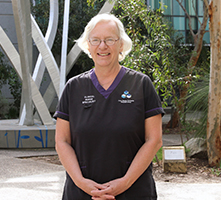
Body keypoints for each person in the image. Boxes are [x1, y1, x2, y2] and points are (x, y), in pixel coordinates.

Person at [54, 13, 164, 200]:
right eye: (95, 40)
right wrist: (82, 183)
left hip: (134, 193)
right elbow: (62, 142)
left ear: (121, 44)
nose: (102, 46)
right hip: (82, 194)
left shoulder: (141, 84)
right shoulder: (73, 88)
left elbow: (154, 140)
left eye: (109, 39)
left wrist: (125, 182)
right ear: (88, 45)